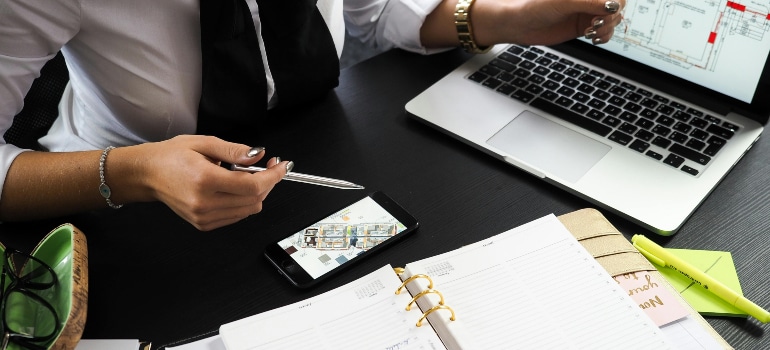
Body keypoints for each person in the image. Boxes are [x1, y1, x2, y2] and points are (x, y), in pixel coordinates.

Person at [0, 0, 625, 231]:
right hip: (128, 210)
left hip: (316, 149)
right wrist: (134, 172)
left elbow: (374, 15)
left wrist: (499, 18)